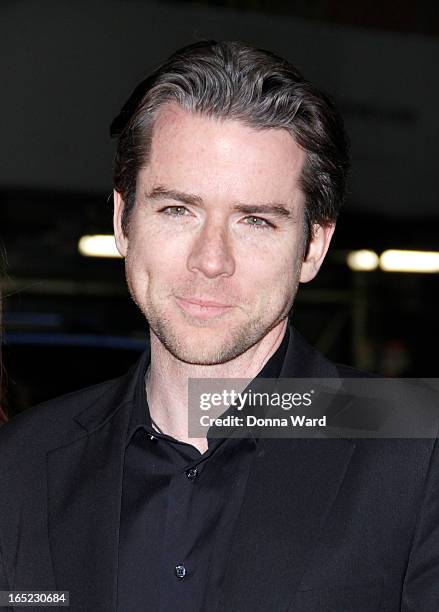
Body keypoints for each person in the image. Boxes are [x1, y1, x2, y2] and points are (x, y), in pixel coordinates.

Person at [0, 40, 438, 612]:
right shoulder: (22, 462)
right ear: (122, 221)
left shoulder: (419, 447)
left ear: (313, 247)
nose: (211, 260)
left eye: (255, 220)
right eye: (177, 209)